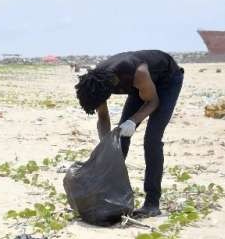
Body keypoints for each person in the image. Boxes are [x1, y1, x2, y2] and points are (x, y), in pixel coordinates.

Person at [75, 50, 184, 218]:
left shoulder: (138, 73)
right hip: (140, 89)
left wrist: (133, 122)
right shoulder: (96, 82)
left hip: (166, 82)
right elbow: (103, 117)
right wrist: (107, 144)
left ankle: (152, 202)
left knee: (152, 140)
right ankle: (109, 194)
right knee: (119, 139)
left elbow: (153, 102)